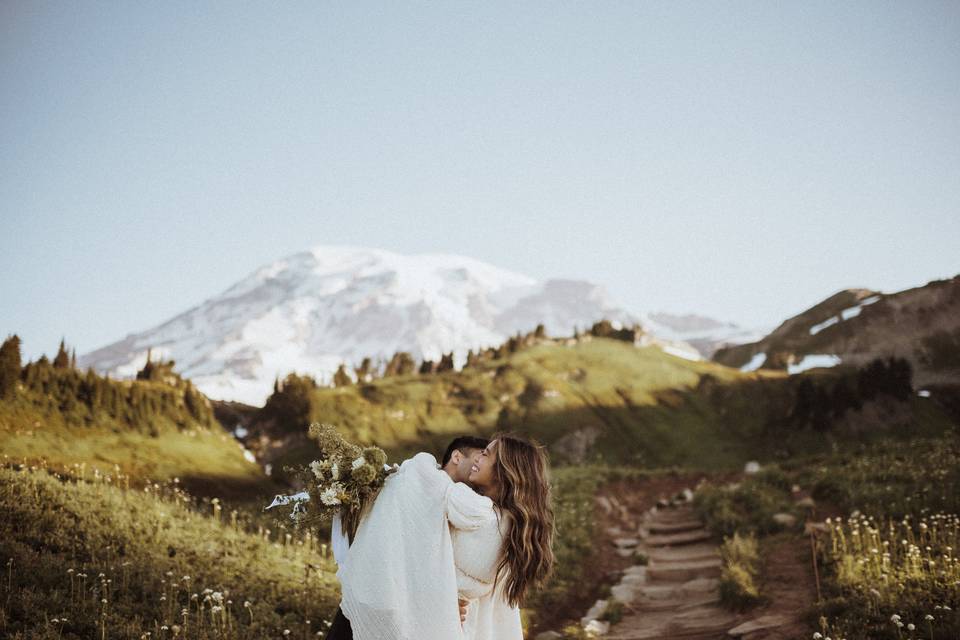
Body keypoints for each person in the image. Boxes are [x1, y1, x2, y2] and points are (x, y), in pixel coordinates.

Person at [332, 433, 555, 640]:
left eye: (486, 454)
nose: (479, 457)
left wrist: (424, 463)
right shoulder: (512, 523)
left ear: (505, 469)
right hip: (428, 615)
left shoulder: (471, 509)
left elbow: (421, 473)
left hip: (399, 607)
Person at [326, 435, 490, 639]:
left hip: (405, 602)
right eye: (477, 458)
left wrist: (452, 598)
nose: (480, 465)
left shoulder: (458, 501)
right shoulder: (414, 476)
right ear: (457, 456)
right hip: (375, 589)